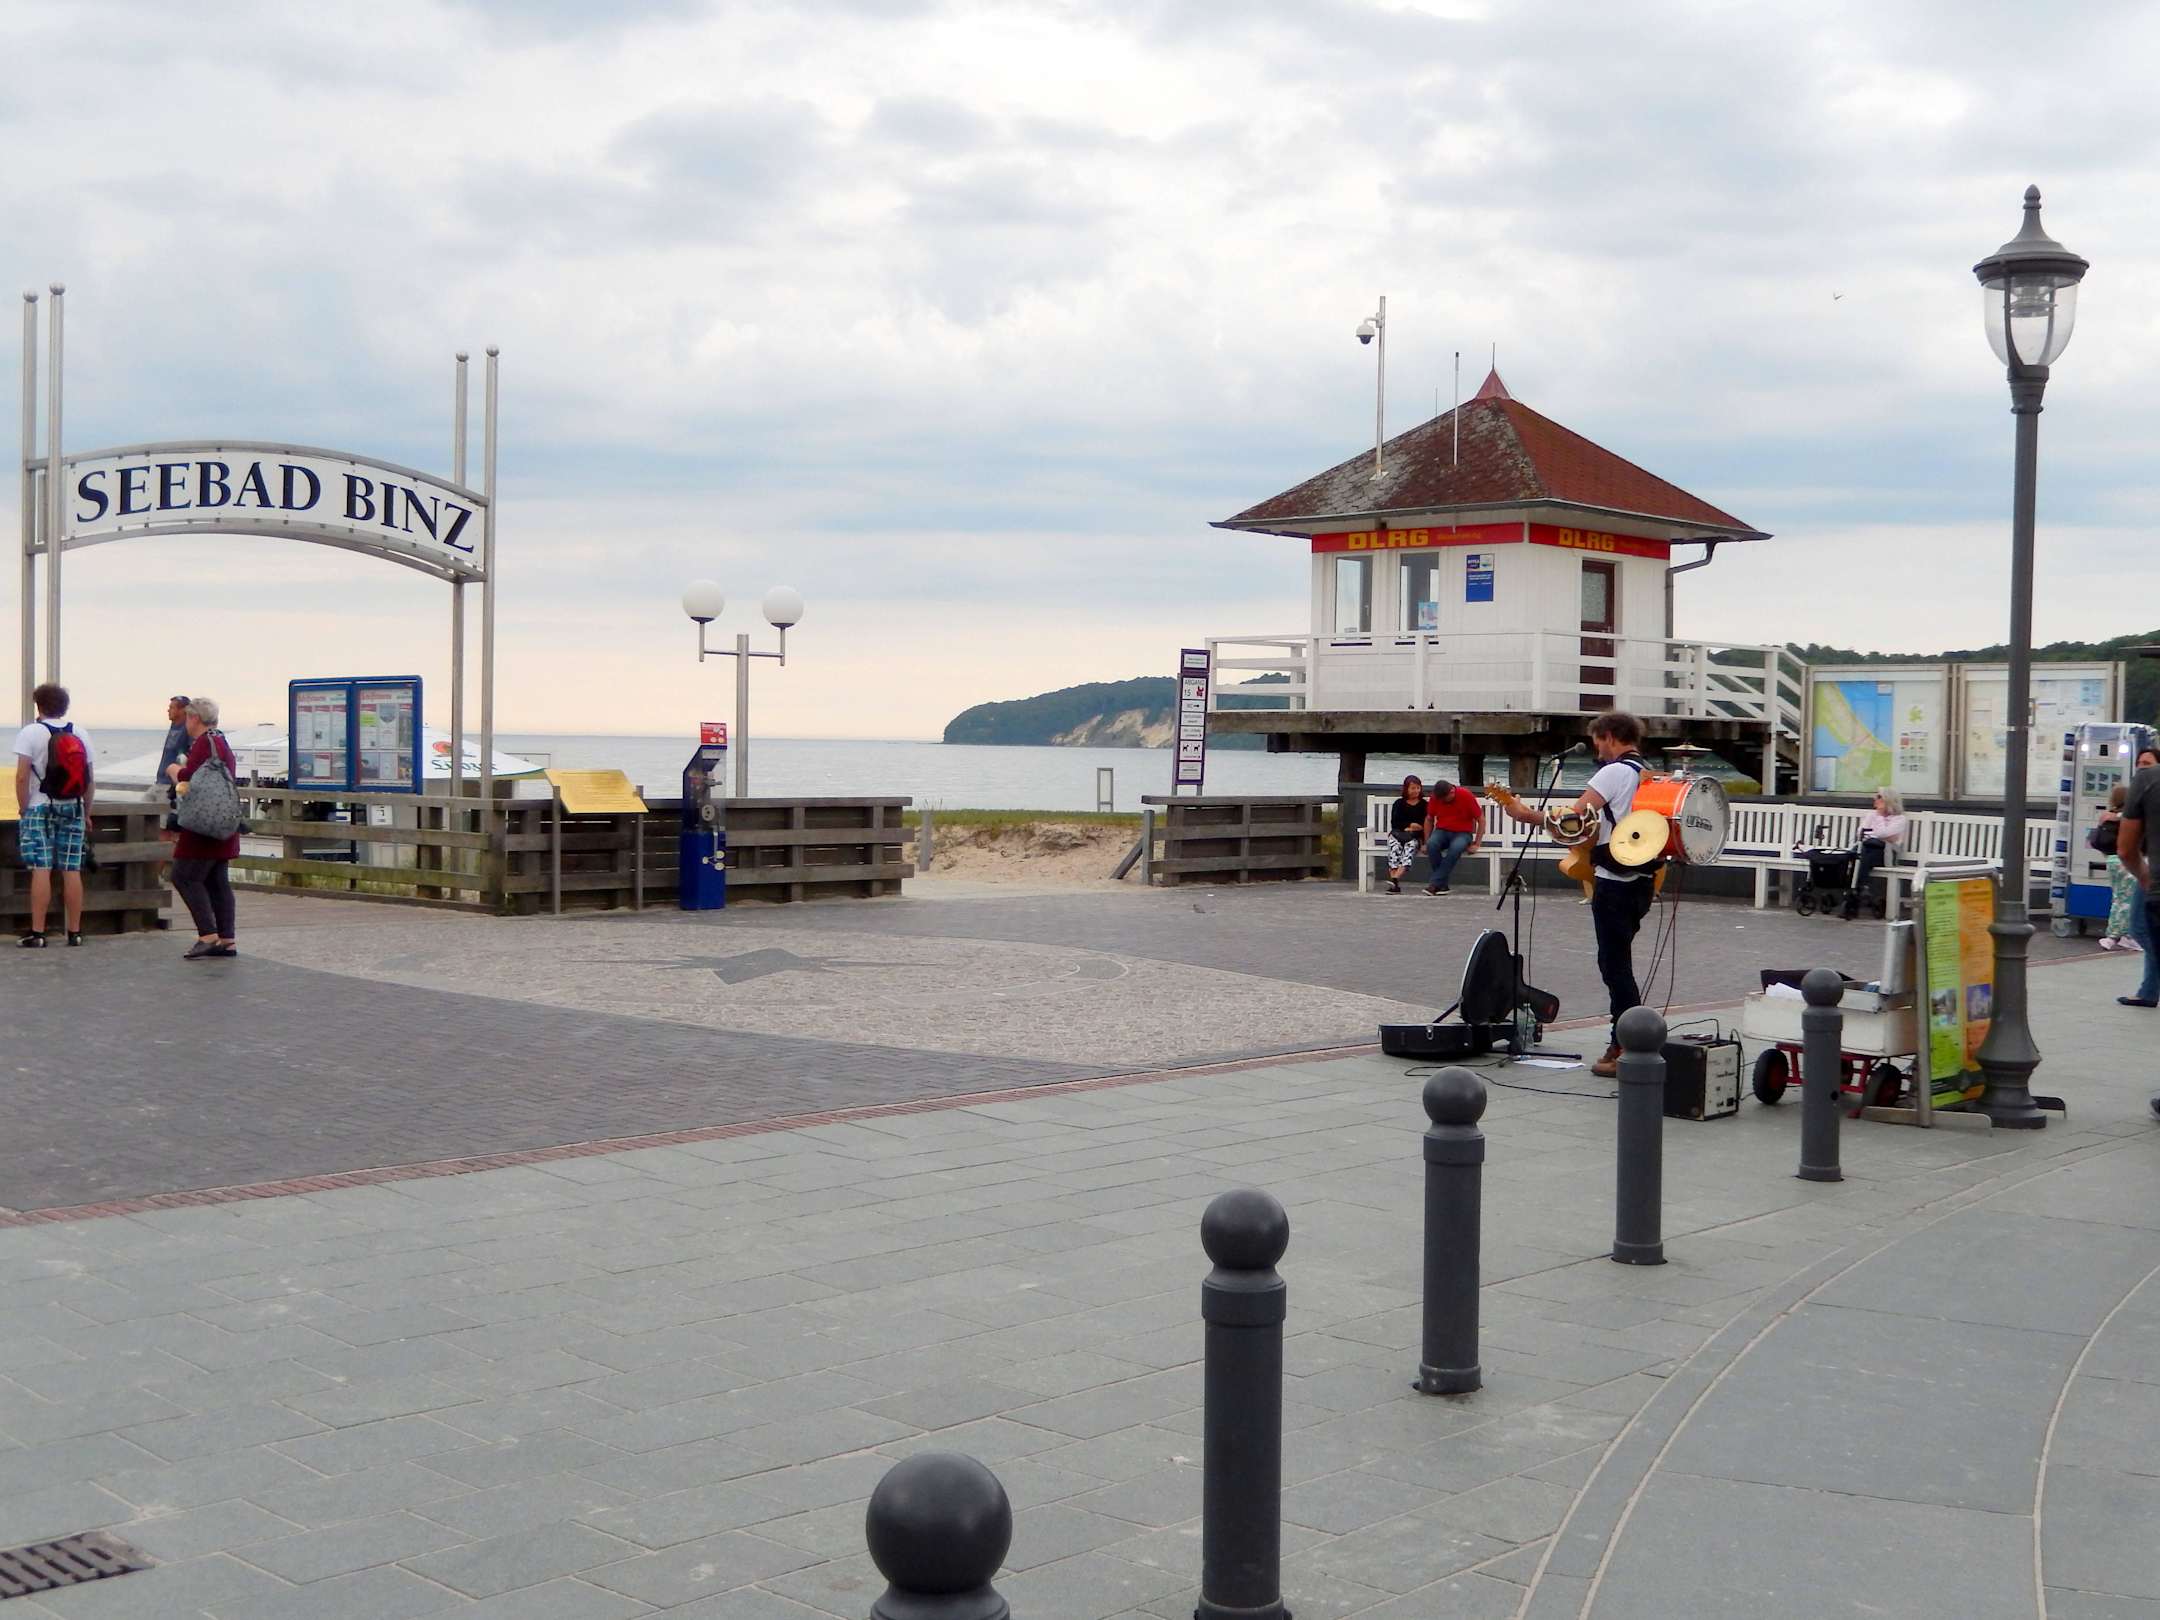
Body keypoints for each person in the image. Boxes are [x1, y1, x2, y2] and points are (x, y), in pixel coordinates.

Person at [1497, 709, 1654, 1077]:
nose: (1597, 749)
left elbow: (1575, 819)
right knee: (1619, 963)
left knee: (1615, 967)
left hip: (1614, 882)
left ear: (1610, 736)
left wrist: (1525, 814)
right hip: (1643, 879)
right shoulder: (1647, 773)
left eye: (1598, 741)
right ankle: (1633, 1037)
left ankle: (1627, 1043)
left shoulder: (1614, 772)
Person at [12, 683, 95, 948]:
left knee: (42, 867)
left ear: (39, 705)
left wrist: (24, 808)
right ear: (64, 706)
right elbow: (89, 779)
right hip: (73, 806)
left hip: (40, 805)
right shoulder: (79, 733)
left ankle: (38, 933)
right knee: (71, 868)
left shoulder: (30, 732)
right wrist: (86, 812)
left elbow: (22, 776)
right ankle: (75, 932)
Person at [167, 697, 240, 959]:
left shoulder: (202, 744)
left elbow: (190, 781)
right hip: (223, 821)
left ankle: (207, 935)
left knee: (184, 876)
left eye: (188, 717)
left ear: (194, 718)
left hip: (202, 825)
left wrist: (175, 770)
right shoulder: (221, 741)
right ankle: (227, 939)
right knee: (217, 880)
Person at [1840, 788, 1908, 919]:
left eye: (1879, 797)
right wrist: (1882, 835)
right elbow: (1861, 833)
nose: (1875, 799)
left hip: (1887, 853)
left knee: (1861, 854)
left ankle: (1854, 895)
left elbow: (1882, 834)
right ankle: (1860, 889)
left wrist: (1880, 818)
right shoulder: (1871, 815)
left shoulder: (1900, 819)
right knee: (1860, 853)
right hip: (1867, 849)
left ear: (1888, 800)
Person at [2094, 784, 2143, 953]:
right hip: (2127, 860)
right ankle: (2127, 936)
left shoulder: (2106, 816)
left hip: (2112, 860)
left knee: (2118, 898)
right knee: (2130, 899)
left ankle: (2112, 935)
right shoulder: (2128, 816)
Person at [1421, 780, 1483, 895]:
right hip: (1442, 831)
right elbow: (1429, 819)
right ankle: (1442, 885)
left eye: (1444, 799)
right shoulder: (1436, 797)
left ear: (1452, 792)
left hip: (1463, 833)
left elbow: (1481, 820)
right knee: (1432, 844)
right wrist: (1426, 841)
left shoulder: (1466, 795)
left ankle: (1435, 884)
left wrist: (1477, 843)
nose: (1442, 801)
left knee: (1455, 848)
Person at [1383, 775, 1427, 895]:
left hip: (1415, 836)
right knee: (1394, 847)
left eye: (1418, 788)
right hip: (1398, 834)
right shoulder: (1399, 803)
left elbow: (1425, 824)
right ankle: (1395, 884)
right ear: (1406, 789)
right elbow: (1395, 822)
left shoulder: (1424, 805)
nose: (1415, 791)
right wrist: (1410, 825)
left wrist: (1420, 835)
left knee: (1410, 848)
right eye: (1413, 788)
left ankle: (1395, 879)